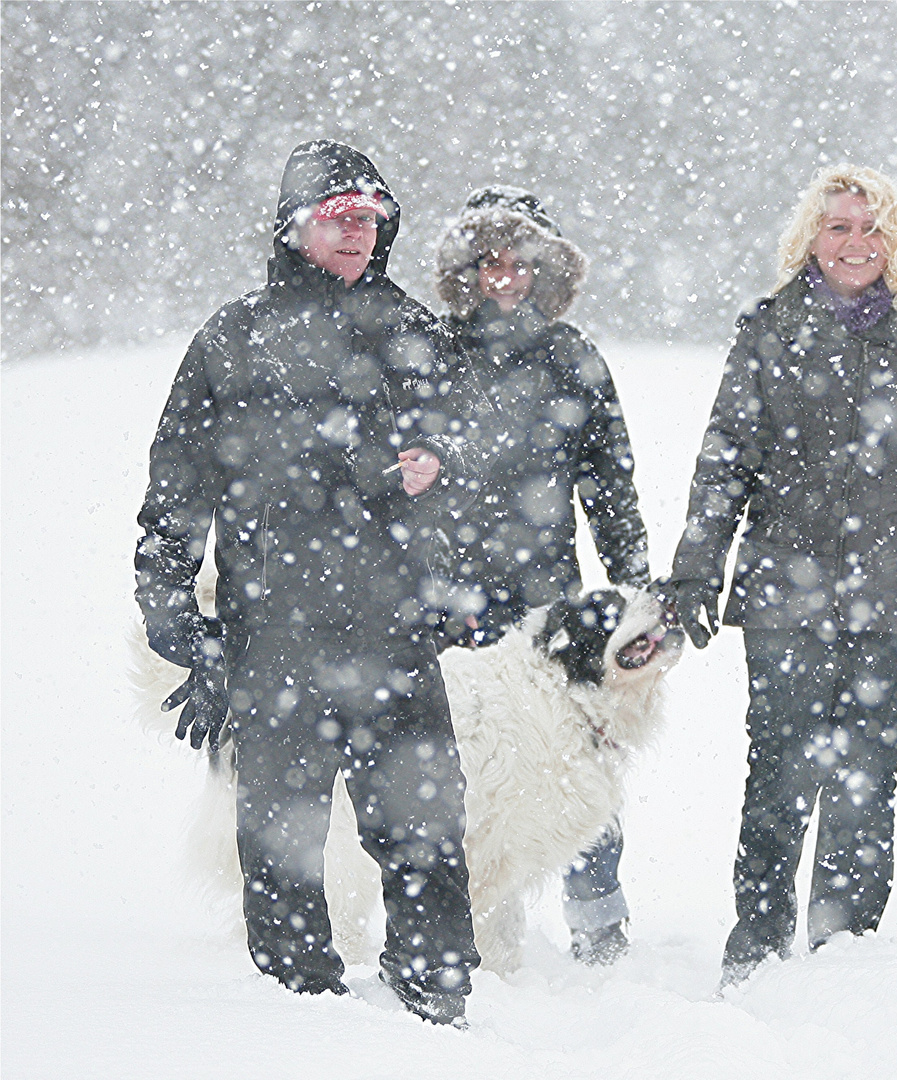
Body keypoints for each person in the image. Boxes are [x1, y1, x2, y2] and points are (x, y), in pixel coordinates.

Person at [135, 140, 491, 1026]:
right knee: (282, 848)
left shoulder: (413, 332)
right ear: (295, 226)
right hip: (277, 636)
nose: (358, 233)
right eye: (339, 216)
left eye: (370, 218)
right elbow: (180, 488)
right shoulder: (235, 338)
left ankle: (439, 1009)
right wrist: (180, 622)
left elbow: (463, 461)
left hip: (396, 634)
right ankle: (302, 1024)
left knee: (427, 834)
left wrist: (451, 538)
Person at [667, 165, 897, 990]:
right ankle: (757, 946)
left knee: (864, 773)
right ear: (811, 238)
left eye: (871, 228)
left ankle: (842, 955)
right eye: (840, 227)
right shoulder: (771, 329)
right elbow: (725, 460)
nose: (856, 244)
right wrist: (695, 574)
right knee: (779, 769)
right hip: (787, 589)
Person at [434, 186, 650, 964]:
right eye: (487, 261)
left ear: (547, 270)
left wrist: (634, 587)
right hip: (447, 604)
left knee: (581, 754)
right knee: (464, 768)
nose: (504, 277)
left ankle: (599, 919)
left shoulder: (573, 359)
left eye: (520, 262)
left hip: (547, 609)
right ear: (465, 269)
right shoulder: (431, 350)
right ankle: (473, 918)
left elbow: (611, 487)